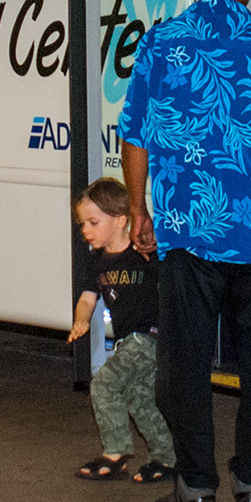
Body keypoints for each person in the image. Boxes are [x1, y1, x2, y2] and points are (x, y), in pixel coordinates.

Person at [119, 0, 251, 502]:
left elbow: (135, 134)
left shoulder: (162, 43)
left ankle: (197, 493)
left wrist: (140, 212)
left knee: (186, 369)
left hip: (187, 234)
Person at [67, 178, 174, 485]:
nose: (85, 230)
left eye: (93, 222)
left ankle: (114, 453)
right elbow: (88, 298)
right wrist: (81, 320)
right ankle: (167, 458)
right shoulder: (96, 261)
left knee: (104, 383)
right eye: (83, 224)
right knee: (137, 396)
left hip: (151, 336)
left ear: (120, 220)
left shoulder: (143, 253)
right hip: (129, 340)